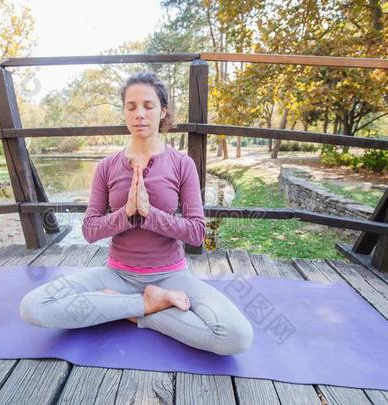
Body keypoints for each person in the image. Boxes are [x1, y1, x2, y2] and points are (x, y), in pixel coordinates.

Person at [19, 72, 253, 355]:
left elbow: (196, 232)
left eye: (148, 105)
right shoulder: (107, 166)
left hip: (171, 277)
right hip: (115, 276)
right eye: (131, 107)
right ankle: (144, 305)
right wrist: (128, 213)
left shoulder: (182, 164)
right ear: (124, 112)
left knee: (236, 336)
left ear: (163, 111)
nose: (139, 114)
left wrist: (149, 213)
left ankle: (119, 309)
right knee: (33, 307)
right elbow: (90, 231)